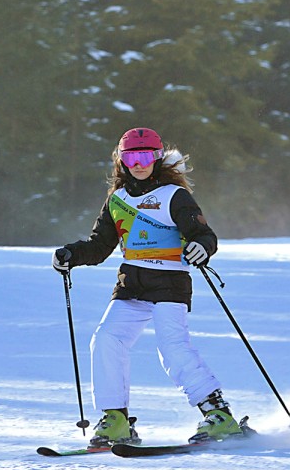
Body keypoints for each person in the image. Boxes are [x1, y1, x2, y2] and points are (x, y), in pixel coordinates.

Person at [52, 127, 249, 448]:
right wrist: (71, 254)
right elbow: (99, 246)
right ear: (121, 160)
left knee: (172, 348)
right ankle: (115, 419)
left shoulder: (174, 195)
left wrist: (202, 247)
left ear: (158, 158)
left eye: (146, 156)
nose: (139, 163)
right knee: (106, 340)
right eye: (131, 157)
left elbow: (204, 234)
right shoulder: (118, 199)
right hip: (131, 283)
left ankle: (218, 414)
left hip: (170, 282)